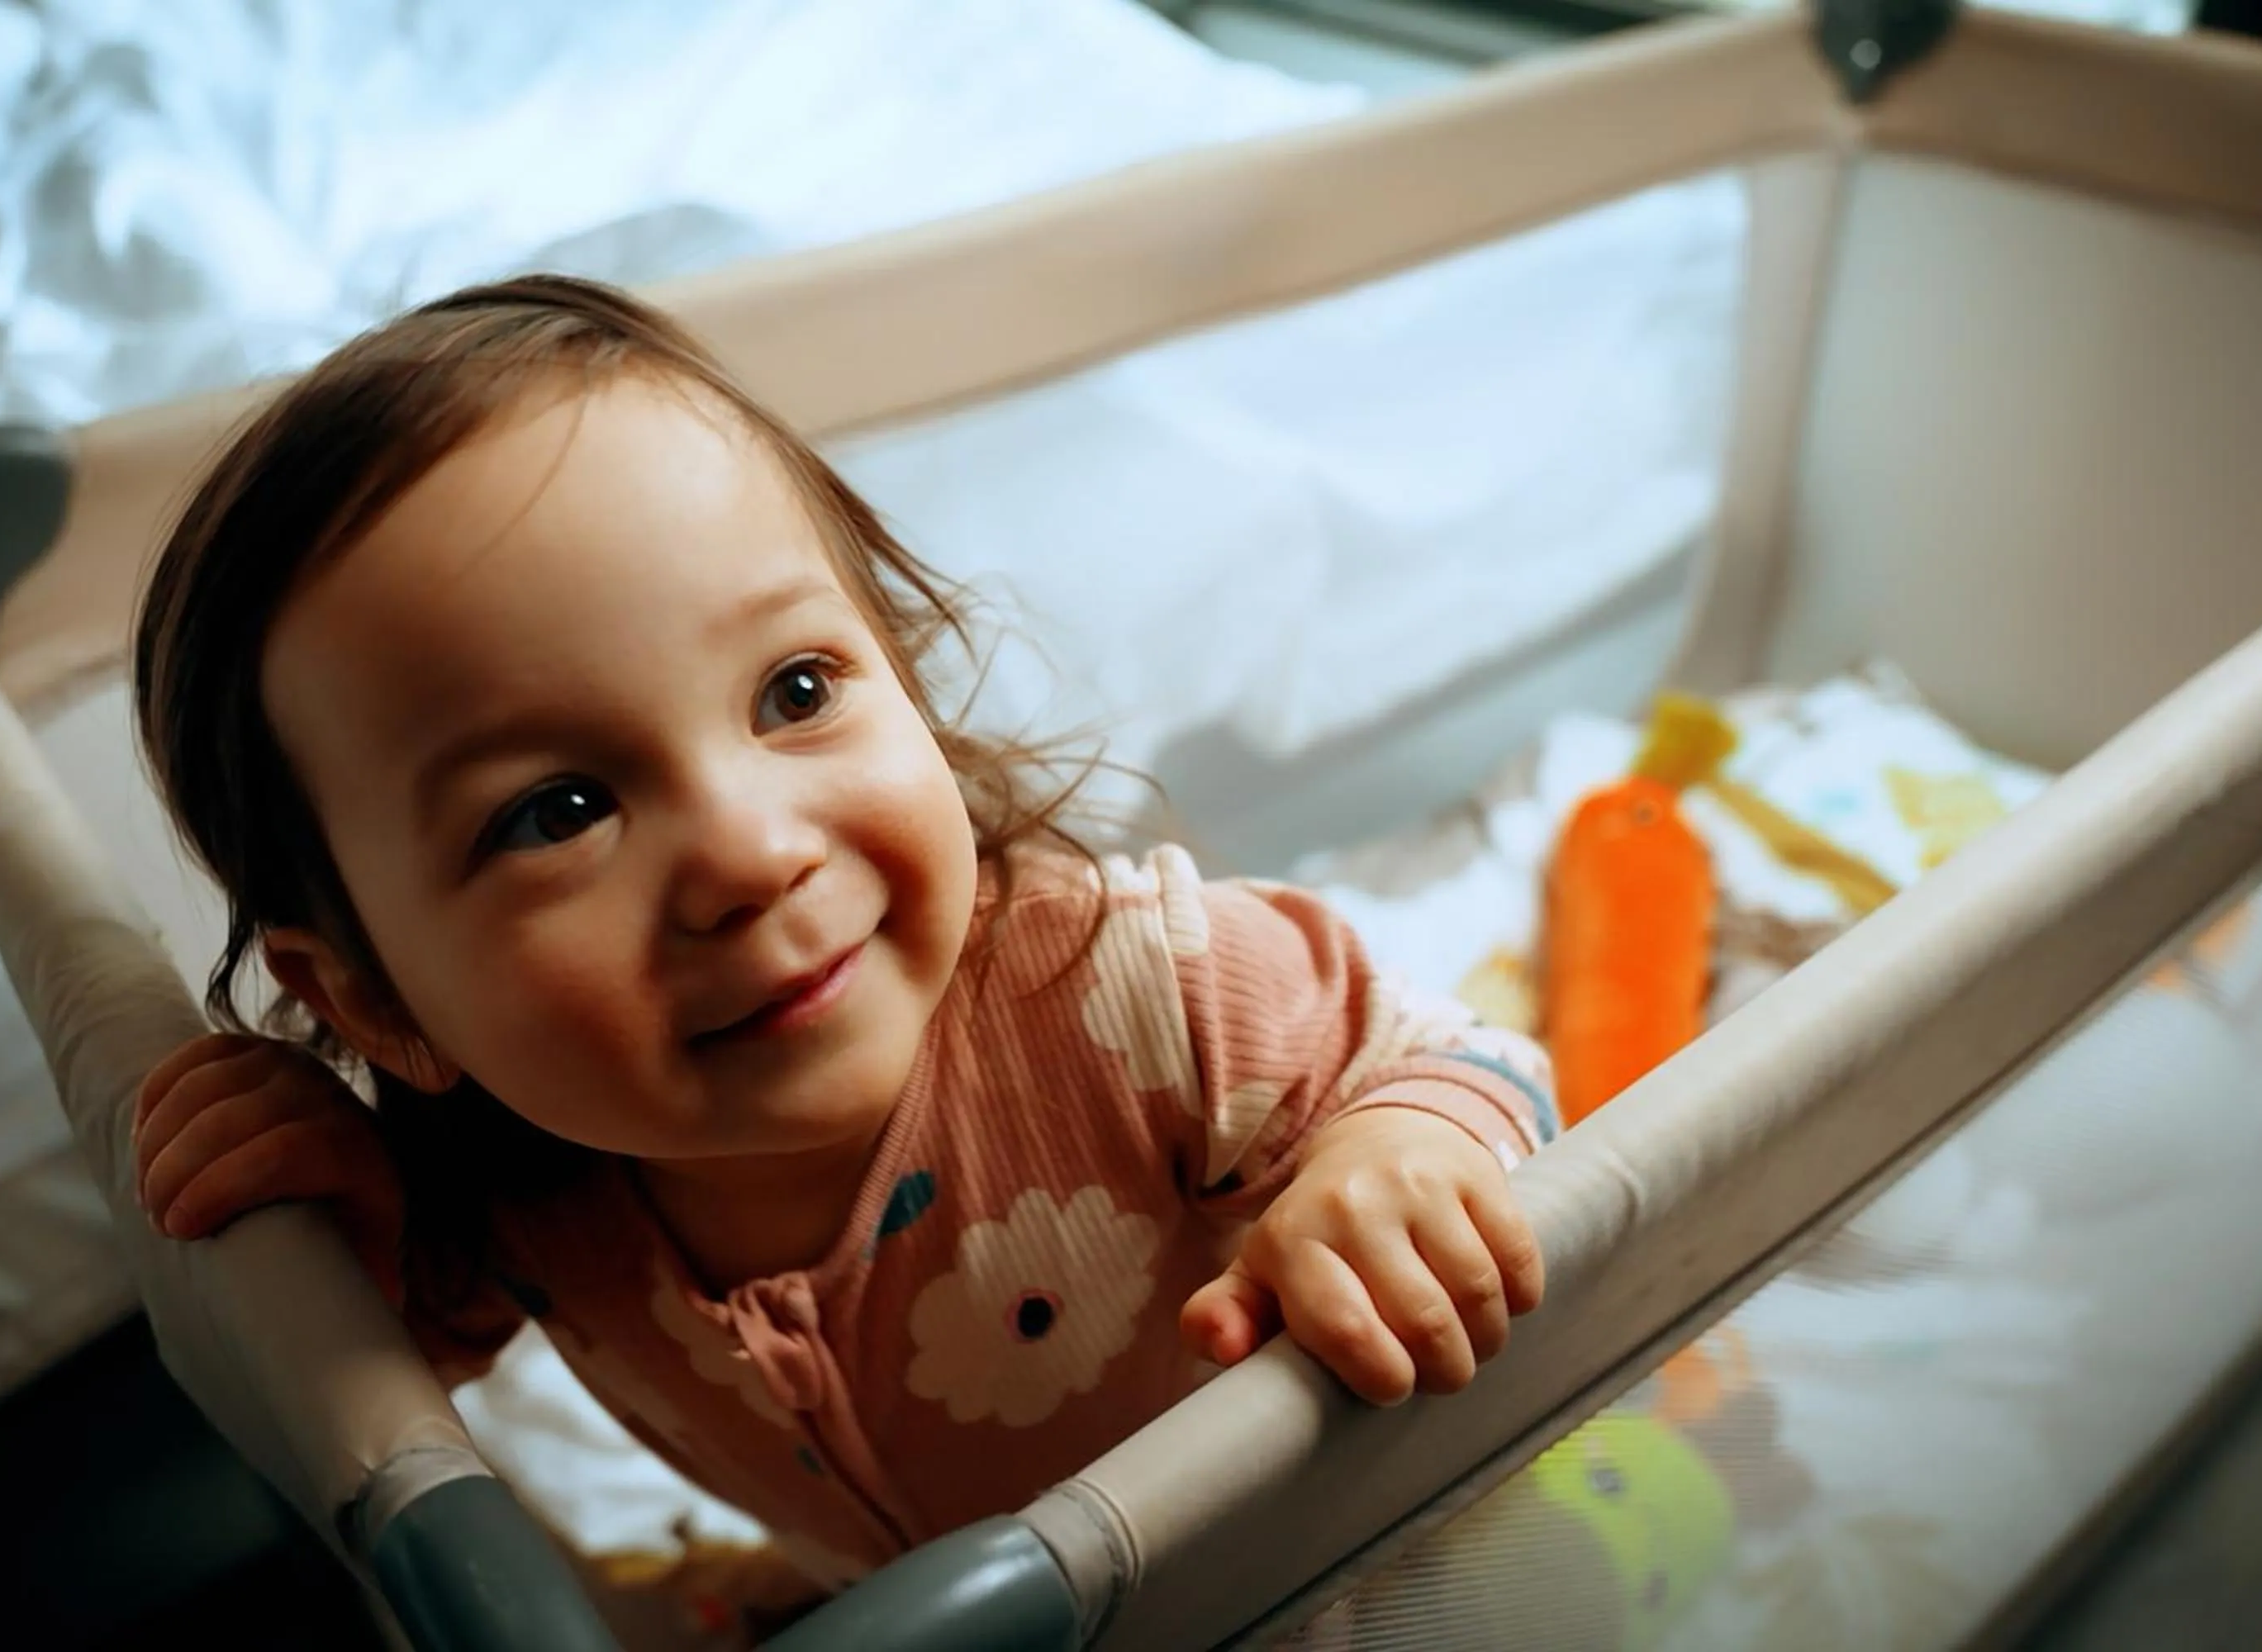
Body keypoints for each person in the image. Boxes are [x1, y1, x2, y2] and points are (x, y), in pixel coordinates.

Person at [128, 275, 1557, 1595]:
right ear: (376, 999)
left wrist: (1396, 1160)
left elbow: (1471, 1066)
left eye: (797, 689)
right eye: (561, 810)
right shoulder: (514, 1184)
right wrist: (345, 1233)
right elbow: (407, 1368)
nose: (752, 854)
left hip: (1375, 1573)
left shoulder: (1139, 990)